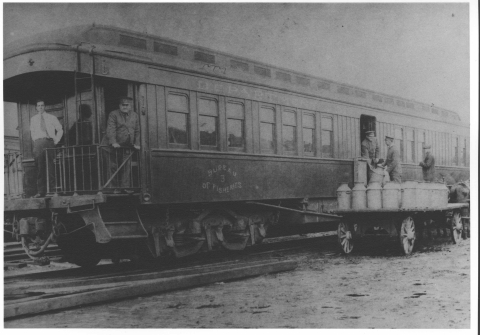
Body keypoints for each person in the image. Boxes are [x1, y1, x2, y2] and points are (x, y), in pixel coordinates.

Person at [101, 97, 140, 193]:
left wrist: (137, 143)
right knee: (112, 166)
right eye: (123, 105)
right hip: (110, 146)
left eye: (127, 105)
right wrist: (113, 142)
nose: (125, 107)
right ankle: (112, 188)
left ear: (130, 106)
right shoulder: (113, 114)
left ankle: (125, 187)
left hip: (126, 146)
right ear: (119, 106)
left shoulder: (135, 116)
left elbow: (138, 131)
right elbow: (111, 129)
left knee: (126, 167)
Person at [30, 99, 63, 197]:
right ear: (36, 108)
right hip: (39, 143)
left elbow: (60, 130)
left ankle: (52, 190)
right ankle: (41, 192)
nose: (40, 107)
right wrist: (36, 141)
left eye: (42, 105)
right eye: (38, 106)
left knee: (51, 167)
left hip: (49, 142)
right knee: (40, 167)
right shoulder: (33, 119)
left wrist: (56, 141)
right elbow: (33, 132)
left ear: (45, 107)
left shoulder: (51, 117)